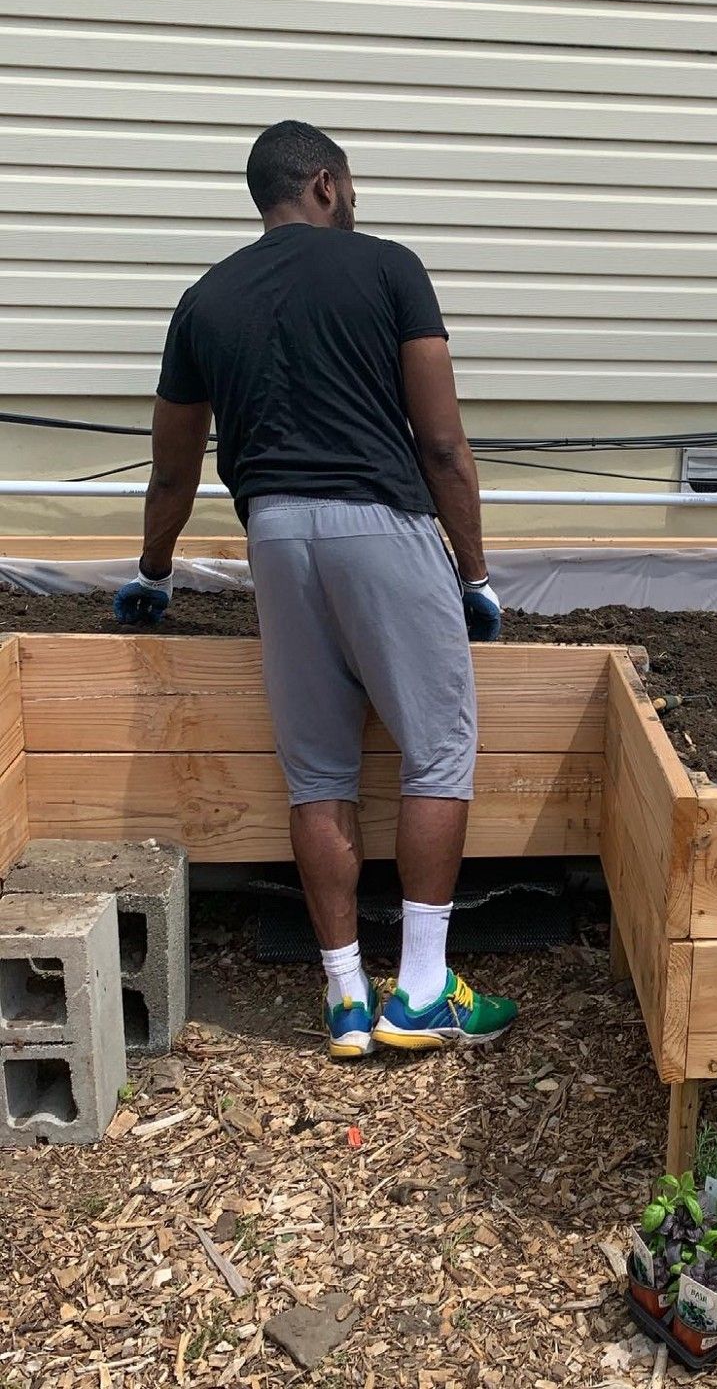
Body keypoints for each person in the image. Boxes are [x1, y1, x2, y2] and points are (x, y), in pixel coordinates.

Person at [113, 120, 517, 1059]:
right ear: (326, 184)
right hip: (383, 524)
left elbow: (172, 472)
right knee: (438, 753)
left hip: (277, 538)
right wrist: (476, 574)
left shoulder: (205, 299)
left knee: (319, 773)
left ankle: (343, 994)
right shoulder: (388, 269)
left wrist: (154, 574)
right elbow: (444, 444)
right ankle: (421, 990)